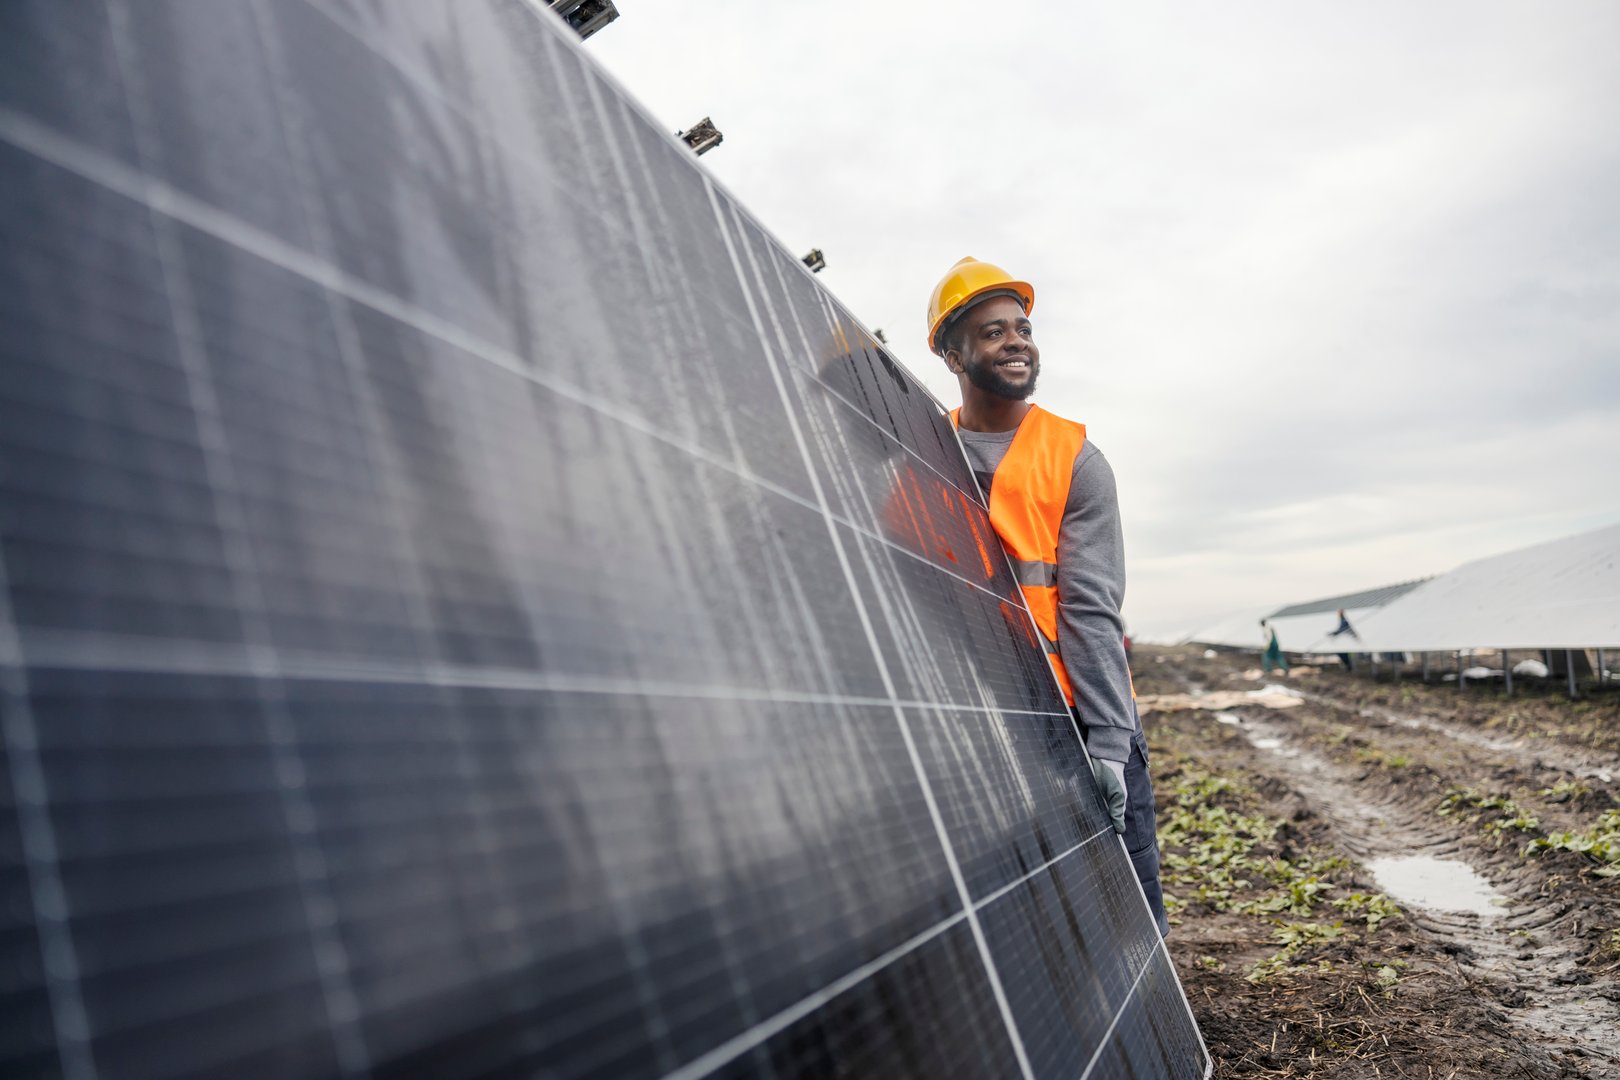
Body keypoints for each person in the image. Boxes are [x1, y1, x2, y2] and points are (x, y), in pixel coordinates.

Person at [926, 256, 1168, 936]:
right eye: (992, 331)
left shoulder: (1074, 460)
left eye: (1022, 328)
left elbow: (1090, 611)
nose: (1016, 342)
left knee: (1124, 910)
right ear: (952, 354)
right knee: (1028, 923)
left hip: (1073, 716)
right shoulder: (918, 453)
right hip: (980, 723)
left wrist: (1111, 745)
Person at [1326, 607, 1358, 671]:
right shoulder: (1342, 620)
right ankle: (1348, 666)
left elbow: (1342, 629)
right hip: (1344, 641)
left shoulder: (1344, 620)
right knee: (1341, 653)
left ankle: (1349, 666)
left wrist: (1334, 633)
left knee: (1343, 653)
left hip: (1347, 641)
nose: (1338, 614)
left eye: (1339, 612)